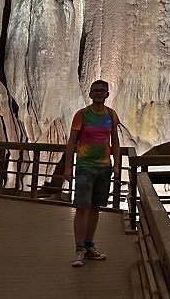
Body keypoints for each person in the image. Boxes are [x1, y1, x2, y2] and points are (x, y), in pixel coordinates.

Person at [63, 80, 120, 268]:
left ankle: (88, 246)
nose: (99, 93)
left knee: (96, 207)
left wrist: (116, 165)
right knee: (82, 208)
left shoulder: (111, 115)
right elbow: (72, 142)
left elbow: (115, 142)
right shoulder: (81, 115)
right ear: (90, 94)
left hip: (104, 168)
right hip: (85, 167)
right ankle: (78, 249)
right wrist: (68, 167)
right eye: (95, 90)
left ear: (107, 94)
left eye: (102, 90)